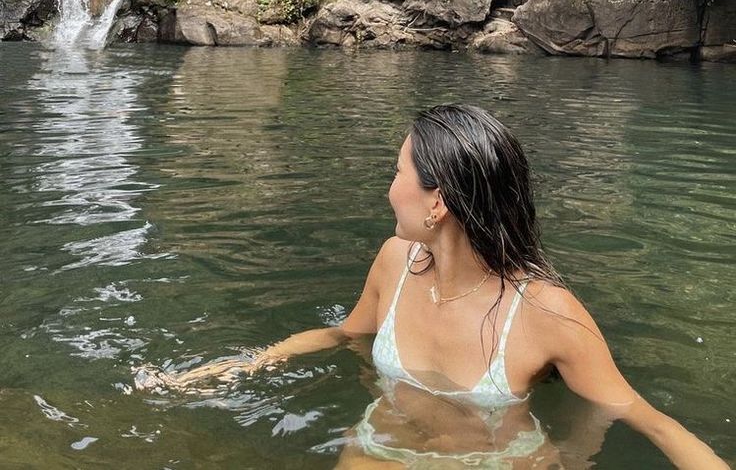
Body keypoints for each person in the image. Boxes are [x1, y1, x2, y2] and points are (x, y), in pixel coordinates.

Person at [136, 104, 729, 469]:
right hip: (384, 449)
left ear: (438, 201)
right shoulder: (396, 261)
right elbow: (346, 334)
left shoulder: (548, 312)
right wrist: (236, 367)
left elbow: (648, 420)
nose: (388, 187)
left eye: (398, 173)